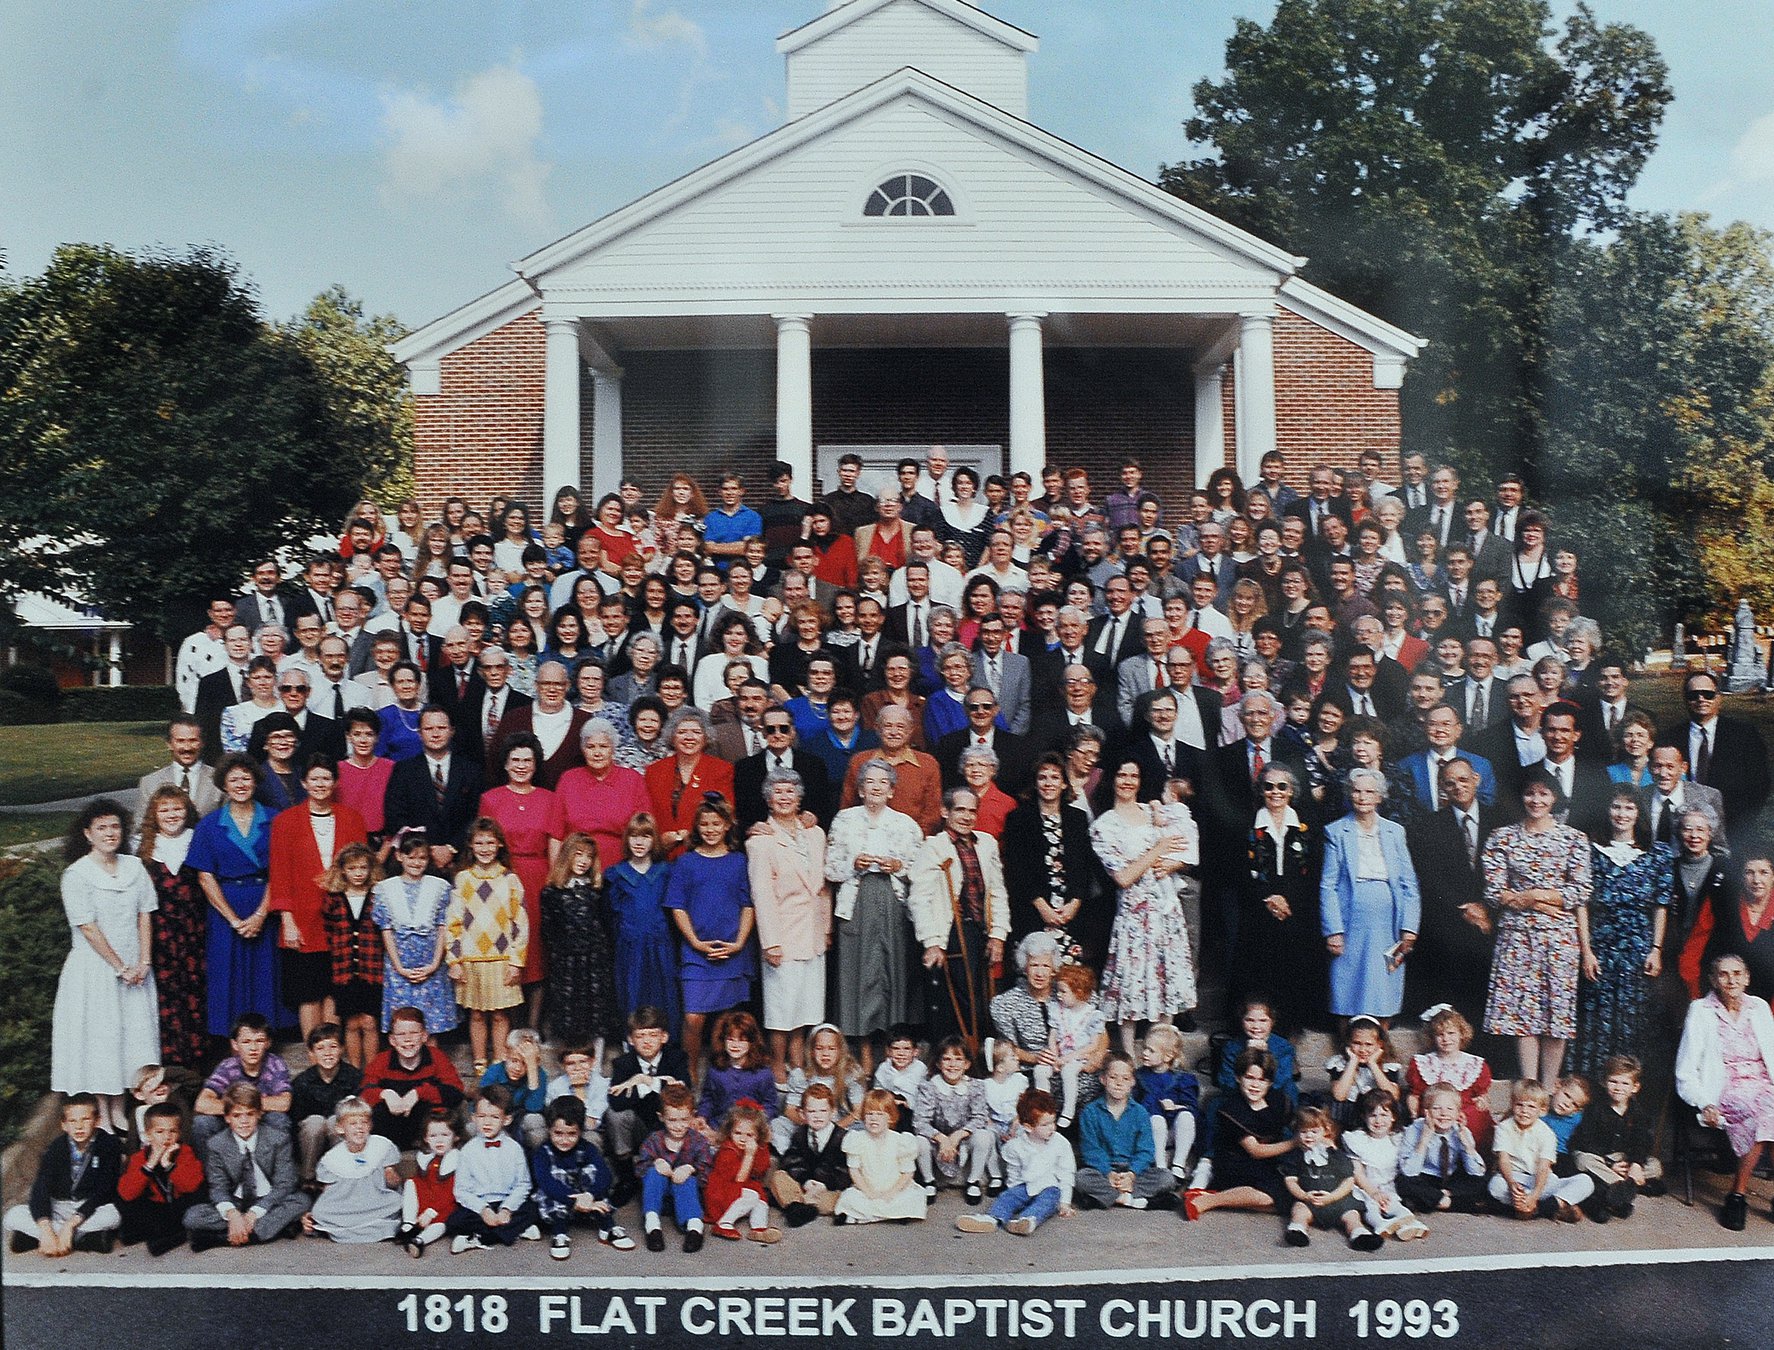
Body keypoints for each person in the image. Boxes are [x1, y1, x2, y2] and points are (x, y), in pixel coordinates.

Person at [1482, 767, 1593, 1087]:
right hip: (1517, 938)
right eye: (1530, 793)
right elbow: (1495, 893)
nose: (1536, 799)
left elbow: (1581, 891)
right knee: (1524, 1016)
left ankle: (1548, 1085)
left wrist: (1534, 895)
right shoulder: (1502, 838)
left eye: (1544, 793)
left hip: (1559, 941)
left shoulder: (1573, 839)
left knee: (1556, 1016)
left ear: (1555, 797)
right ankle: (1530, 1087)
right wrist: (1541, 903)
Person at [1092, 761, 1199, 1053]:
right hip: (1135, 915)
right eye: (1122, 774)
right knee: (1131, 984)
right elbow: (1124, 876)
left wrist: (1172, 862)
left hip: (1166, 910)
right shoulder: (1104, 825)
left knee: (1168, 983)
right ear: (1112, 779)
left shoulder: (1156, 813)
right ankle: (1127, 1056)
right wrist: (1157, 852)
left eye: (1133, 776)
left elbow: (1184, 850)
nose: (1127, 781)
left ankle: (1163, 1054)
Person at [824, 759, 923, 1070]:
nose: (876, 787)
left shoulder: (905, 824)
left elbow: (921, 867)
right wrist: (854, 862)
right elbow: (830, 867)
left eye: (883, 782)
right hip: (857, 900)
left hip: (893, 901)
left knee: (892, 972)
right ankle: (865, 1053)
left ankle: (893, 1053)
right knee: (858, 974)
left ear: (892, 790)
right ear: (861, 789)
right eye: (870, 782)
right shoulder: (845, 820)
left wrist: (900, 867)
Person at [1574, 789, 1674, 1080]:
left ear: (1639, 813)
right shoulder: (1590, 851)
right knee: (1598, 1014)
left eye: (1629, 808)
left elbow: (1661, 906)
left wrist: (1656, 948)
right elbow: (1581, 904)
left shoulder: (1658, 854)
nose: (1621, 814)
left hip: (1638, 945)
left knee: (1634, 1014)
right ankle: (1594, 1084)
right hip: (1601, 943)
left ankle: (1629, 1087)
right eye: (1616, 807)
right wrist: (1587, 950)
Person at [1675, 952, 1774, 1230]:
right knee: (1761, 1113)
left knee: (1770, 1107)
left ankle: (1738, 1196)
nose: (1731, 980)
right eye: (1724, 974)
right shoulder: (1701, 1010)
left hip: (1764, 1083)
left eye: (1737, 974)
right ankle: (1737, 1194)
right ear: (1713, 980)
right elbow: (1686, 1069)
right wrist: (1704, 1102)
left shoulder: (1759, 1007)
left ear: (1747, 978)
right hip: (1727, 1088)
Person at [911, 788, 1010, 1052]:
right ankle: (958, 1055)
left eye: (972, 811)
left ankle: (981, 1054)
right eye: (960, 810)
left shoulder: (986, 843)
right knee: (958, 998)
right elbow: (919, 899)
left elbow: (997, 891)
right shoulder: (933, 847)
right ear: (945, 812)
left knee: (982, 996)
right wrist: (932, 942)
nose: (967, 817)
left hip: (981, 930)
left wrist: (998, 934)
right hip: (952, 929)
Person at [747, 768, 831, 1079]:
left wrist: (826, 928)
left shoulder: (815, 833)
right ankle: (777, 1066)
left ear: (800, 798)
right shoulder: (760, 843)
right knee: (781, 1008)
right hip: (782, 933)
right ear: (768, 799)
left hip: (812, 933)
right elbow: (762, 895)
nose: (784, 797)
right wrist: (771, 942)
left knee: (806, 1005)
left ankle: (798, 1063)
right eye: (778, 792)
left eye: (790, 791)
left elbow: (822, 887)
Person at [188, 755, 280, 1036]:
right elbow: (205, 876)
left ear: (255, 781)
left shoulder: (275, 819)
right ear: (224, 785)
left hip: (264, 903)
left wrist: (260, 915)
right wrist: (233, 919)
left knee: (265, 972)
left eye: (246, 778)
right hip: (226, 909)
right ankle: (232, 1037)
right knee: (227, 971)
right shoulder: (209, 825)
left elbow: (281, 871)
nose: (240, 784)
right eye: (234, 779)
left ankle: (265, 1037)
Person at [666, 798, 756, 1081]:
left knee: (726, 1021)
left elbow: (748, 905)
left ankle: (722, 1074)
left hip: (732, 950)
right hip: (697, 952)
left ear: (727, 825)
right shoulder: (686, 862)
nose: (710, 829)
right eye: (704, 824)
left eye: (716, 823)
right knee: (694, 1018)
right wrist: (695, 942)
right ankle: (691, 1072)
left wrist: (739, 943)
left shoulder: (739, 861)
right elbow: (677, 906)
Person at [1320, 767, 1420, 1021]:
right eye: (1356, 791)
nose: (1362, 797)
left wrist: (1409, 927)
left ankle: (1380, 1054)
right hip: (1350, 916)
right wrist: (1334, 930)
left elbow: (1409, 883)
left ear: (1380, 797)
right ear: (1349, 794)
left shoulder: (1395, 831)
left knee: (1384, 982)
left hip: (1388, 919)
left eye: (1369, 792)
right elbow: (1328, 885)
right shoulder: (1336, 831)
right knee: (1347, 984)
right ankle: (1349, 1054)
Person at [479, 734, 566, 1025]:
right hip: (500, 880)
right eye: (515, 760)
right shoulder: (490, 799)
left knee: (536, 951)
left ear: (536, 764)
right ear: (505, 764)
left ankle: (533, 1025)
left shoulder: (550, 798)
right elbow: (484, 843)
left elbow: (555, 843)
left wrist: (554, 885)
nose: (521, 766)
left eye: (527, 760)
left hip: (537, 877)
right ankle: (509, 1025)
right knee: (504, 946)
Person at [1001, 752, 1110, 967]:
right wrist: (1042, 907)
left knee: (1069, 980)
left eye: (1054, 777)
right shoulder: (1018, 818)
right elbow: (1017, 869)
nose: (1048, 783)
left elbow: (1084, 866)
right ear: (1035, 783)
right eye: (1043, 777)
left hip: (1069, 914)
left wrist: (1075, 902)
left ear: (1063, 784)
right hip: (1034, 911)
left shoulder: (1077, 818)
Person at [1236, 764, 1325, 1029]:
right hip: (1259, 913)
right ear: (1261, 790)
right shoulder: (1247, 825)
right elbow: (1239, 872)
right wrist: (1269, 898)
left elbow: (1315, 872)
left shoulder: (1306, 827)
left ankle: (1291, 1038)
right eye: (1269, 786)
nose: (1275, 792)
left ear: (1292, 791)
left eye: (1282, 786)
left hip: (1297, 914)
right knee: (1261, 976)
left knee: (1294, 976)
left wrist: (1289, 900)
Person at [184, 1082, 310, 1250]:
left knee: (302, 1201)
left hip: (267, 1200)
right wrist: (233, 1214)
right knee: (192, 1217)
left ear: (259, 1114)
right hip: (236, 1201)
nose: (244, 1121)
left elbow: (284, 1183)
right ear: (227, 1118)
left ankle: (221, 1239)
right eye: (237, 1115)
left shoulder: (277, 1139)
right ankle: (274, 1229)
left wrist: (255, 1213)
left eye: (250, 1114)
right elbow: (217, 1188)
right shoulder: (217, 1144)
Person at [1183, 1049, 1295, 1223]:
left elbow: (1295, 1123)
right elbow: (1255, 1150)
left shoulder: (1279, 1100)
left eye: (1262, 1080)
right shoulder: (1231, 1109)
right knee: (1270, 1198)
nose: (1255, 1085)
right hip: (1236, 1163)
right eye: (1249, 1078)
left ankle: (1224, 1198)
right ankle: (1208, 1200)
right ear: (1238, 1078)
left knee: (1287, 1203)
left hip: (1268, 1163)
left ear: (1270, 1082)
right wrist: (1295, 1143)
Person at [4, 1094, 123, 1256]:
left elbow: (104, 1191)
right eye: (72, 1121)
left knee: (113, 1215)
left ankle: (43, 1237)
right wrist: (45, 1228)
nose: (79, 1127)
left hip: (89, 1207)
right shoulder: (57, 1147)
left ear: (97, 1121)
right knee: (12, 1216)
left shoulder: (109, 1145)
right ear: (64, 1125)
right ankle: (77, 1239)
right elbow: (41, 1187)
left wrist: (70, 1226)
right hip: (60, 1205)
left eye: (85, 1119)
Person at [954, 1088, 1075, 1236]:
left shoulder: (1060, 1143)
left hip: (1049, 1186)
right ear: (1028, 1127)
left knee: (1047, 1202)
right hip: (1023, 1185)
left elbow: (1066, 1173)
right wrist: (1015, 1192)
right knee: (1007, 1197)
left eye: (1053, 1122)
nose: (1052, 1128)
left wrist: (1065, 1202)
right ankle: (992, 1219)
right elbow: (1013, 1173)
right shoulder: (1015, 1146)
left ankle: (1027, 1220)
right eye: (1045, 1125)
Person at [371, 829, 456, 1034]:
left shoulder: (440, 887)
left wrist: (434, 964)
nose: (416, 863)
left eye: (422, 858)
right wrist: (399, 968)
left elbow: (443, 926)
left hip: (431, 963)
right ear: (399, 856)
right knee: (402, 1022)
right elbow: (386, 930)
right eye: (411, 857)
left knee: (431, 1024)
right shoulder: (384, 889)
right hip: (399, 965)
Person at [537, 831, 618, 1046]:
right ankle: (570, 1063)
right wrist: (561, 957)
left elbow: (607, 925)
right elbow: (548, 930)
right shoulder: (551, 892)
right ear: (567, 856)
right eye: (578, 854)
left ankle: (597, 1065)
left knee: (597, 1012)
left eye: (589, 856)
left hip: (595, 960)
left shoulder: (599, 890)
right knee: (568, 1012)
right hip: (566, 962)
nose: (583, 861)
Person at [605, 816, 681, 1035]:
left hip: (660, 944)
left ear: (654, 840)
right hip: (629, 946)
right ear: (626, 839)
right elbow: (610, 915)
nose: (639, 842)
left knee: (663, 994)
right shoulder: (616, 875)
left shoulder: (665, 872)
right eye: (634, 836)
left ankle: (666, 1046)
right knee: (631, 993)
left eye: (646, 836)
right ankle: (631, 1044)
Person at [532, 1095, 633, 1259]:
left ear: (580, 1132)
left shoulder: (588, 1148)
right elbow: (546, 1183)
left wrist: (589, 1195)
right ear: (549, 1129)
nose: (564, 1140)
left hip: (587, 1201)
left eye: (572, 1134)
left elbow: (604, 1174)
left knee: (591, 1172)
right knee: (555, 1179)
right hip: (560, 1202)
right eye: (558, 1133)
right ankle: (559, 1233)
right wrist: (574, 1200)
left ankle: (607, 1227)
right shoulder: (543, 1152)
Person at [1566, 1054, 1664, 1221]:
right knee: (1582, 1161)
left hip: (1621, 1157)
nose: (1618, 1088)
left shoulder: (1638, 1113)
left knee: (1655, 1166)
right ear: (1605, 1082)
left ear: (1635, 1087)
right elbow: (1586, 1141)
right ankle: (1626, 1186)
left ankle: (1616, 1185)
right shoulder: (1596, 1108)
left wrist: (1636, 1165)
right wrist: (1610, 1164)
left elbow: (1641, 1141)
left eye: (1625, 1083)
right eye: (1613, 1082)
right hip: (1598, 1156)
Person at [445, 1086, 540, 1252]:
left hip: (507, 1202)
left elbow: (523, 1185)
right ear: (473, 1118)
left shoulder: (514, 1148)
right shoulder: (468, 1150)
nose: (487, 1122)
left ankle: (480, 1237)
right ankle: (514, 1231)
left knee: (533, 1209)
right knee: (453, 1220)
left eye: (495, 1117)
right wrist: (484, 1210)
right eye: (482, 1116)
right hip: (480, 1204)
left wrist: (507, 1209)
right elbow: (461, 1190)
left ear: (507, 1120)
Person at [361, 1006, 466, 1152]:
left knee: (442, 1113)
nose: (408, 1039)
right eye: (401, 1034)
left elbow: (456, 1091)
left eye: (414, 1033)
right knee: (375, 1112)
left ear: (424, 1036)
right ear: (392, 1039)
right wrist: (385, 1094)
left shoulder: (436, 1057)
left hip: (427, 1132)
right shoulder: (382, 1060)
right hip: (391, 1130)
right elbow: (363, 1092)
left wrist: (418, 1093)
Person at [1488, 1079, 1593, 1222]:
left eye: (1531, 1107)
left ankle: (1539, 1208)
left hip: (1539, 1180)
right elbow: (1503, 1160)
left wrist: (1535, 1195)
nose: (1525, 1111)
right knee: (1495, 1186)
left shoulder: (1547, 1133)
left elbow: (1544, 1167)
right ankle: (1540, 1207)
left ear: (1542, 1110)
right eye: (1520, 1105)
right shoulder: (1504, 1127)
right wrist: (1512, 1183)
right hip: (1515, 1176)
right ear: (1513, 1105)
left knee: (1585, 1182)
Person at [1280, 1105, 1384, 1250]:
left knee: (1352, 1216)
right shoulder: (1295, 1156)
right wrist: (1304, 1195)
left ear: (1325, 1131)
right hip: (1310, 1200)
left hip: (1338, 1199)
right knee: (1299, 1210)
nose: (1309, 1136)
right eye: (1304, 1132)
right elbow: (1290, 1181)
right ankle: (1297, 1231)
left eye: (1314, 1131)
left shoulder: (1335, 1155)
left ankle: (1360, 1235)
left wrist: (1332, 1197)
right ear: (1296, 1133)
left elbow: (1348, 1180)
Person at [305, 1096, 401, 1243]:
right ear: (340, 1128)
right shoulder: (332, 1158)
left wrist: (390, 1175)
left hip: (376, 1200)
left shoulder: (381, 1146)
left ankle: (370, 1225)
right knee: (320, 1211)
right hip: (346, 1204)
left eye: (364, 1122)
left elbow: (393, 1182)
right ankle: (355, 1225)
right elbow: (328, 1192)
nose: (359, 1127)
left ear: (370, 1125)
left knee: (398, 1201)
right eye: (353, 1123)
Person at [115, 1101, 205, 1255]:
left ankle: (174, 1235)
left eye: (172, 1131)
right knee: (125, 1213)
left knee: (196, 1199)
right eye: (160, 1132)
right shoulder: (140, 1157)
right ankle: (167, 1233)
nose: (167, 1137)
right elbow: (127, 1193)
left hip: (178, 1204)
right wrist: (150, 1164)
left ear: (179, 1133)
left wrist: (168, 1165)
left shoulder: (185, 1152)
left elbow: (190, 1186)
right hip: (155, 1207)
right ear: (148, 1135)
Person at [192, 1012, 292, 1147]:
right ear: (235, 1044)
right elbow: (202, 1103)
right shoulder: (227, 1066)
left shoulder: (275, 1064)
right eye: (246, 1042)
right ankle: (208, 1168)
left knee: (279, 1120)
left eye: (259, 1041)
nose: (253, 1048)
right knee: (202, 1123)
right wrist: (240, 1110)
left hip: (260, 1121)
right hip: (233, 1121)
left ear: (268, 1043)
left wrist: (245, 1109)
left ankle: (272, 1166)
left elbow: (284, 1102)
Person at [1405, 1006, 1494, 1152]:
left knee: (1474, 1118)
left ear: (1461, 1034)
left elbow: (1481, 1095)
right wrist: (1413, 1113)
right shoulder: (1423, 1064)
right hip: (1436, 1109)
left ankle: (1470, 1158)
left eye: (1451, 1033)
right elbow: (1414, 1094)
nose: (1446, 1039)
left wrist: (1483, 1100)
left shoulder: (1475, 1064)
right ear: (1433, 1038)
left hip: (1463, 1110)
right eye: (1440, 1035)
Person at [637, 1082, 713, 1252]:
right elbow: (640, 1168)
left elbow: (707, 1169)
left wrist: (691, 1168)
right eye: (672, 1120)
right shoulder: (654, 1139)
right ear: (661, 1117)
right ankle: (652, 1226)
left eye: (684, 1120)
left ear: (692, 1116)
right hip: (660, 1199)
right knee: (653, 1174)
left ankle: (694, 1227)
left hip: (687, 1198)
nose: (678, 1126)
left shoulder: (698, 1141)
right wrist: (656, 1162)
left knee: (686, 1179)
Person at [1344, 1091, 1428, 1241]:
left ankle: (1409, 1222)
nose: (1378, 1121)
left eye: (1384, 1115)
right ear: (1364, 1117)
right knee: (1371, 1207)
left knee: (1394, 1203)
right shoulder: (1358, 1140)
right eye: (1373, 1115)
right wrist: (1373, 1192)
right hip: (1366, 1186)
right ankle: (1381, 1224)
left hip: (1389, 1185)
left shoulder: (1398, 1138)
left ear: (1393, 1116)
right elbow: (1358, 1173)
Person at [833, 1089, 925, 1226]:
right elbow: (854, 1170)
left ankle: (863, 1217)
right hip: (867, 1189)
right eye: (869, 1114)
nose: (873, 1118)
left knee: (914, 1197)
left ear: (891, 1117)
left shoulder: (900, 1141)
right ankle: (890, 1215)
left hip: (894, 1189)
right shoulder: (857, 1139)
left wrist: (891, 1193)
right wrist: (869, 1192)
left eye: (879, 1114)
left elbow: (908, 1172)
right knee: (848, 1198)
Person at [290, 1022, 363, 1188]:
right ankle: (308, 1177)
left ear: (342, 1049)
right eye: (320, 1048)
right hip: (310, 1144)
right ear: (312, 1053)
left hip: (341, 1139)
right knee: (315, 1122)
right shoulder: (302, 1082)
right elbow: (294, 1123)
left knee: (335, 1122)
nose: (327, 1053)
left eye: (333, 1046)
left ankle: (340, 1174)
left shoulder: (353, 1077)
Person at [1395, 1083, 1487, 1215]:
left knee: (1483, 1181)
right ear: (1427, 1112)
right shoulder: (1414, 1130)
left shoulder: (1461, 1131)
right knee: (1403, 1182)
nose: (1444, 1114)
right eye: (1437, 1108)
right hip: (1425, 1177)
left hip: (1451, 1180)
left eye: (1450, 1109)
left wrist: (1467, 1145)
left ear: (1458, 1114)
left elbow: (1477, 1172)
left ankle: (1433, 1200)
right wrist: (1424, 1139)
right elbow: (1409, 1172)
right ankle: (1455, 1203)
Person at [703, 1101, 781, 1244]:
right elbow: (739, 1178)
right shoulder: (728, 1150)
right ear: (729, 1132)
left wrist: (761, 1149)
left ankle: (759, 1229)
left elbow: (760, 1170)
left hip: (742, 1188)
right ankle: (724, 1224)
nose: (743, 1138)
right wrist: (749, 1155)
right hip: (722, 1192)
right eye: (737, 1133)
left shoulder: (756, 1147)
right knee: (752, 1196)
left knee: (761, 1201)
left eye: (749, 1135)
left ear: (758, 1135)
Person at [1135, 1023, 1200, 1178]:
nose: (1145, 1053)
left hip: (1173, 1130)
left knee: (1186, 1117)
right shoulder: (1139, 1076)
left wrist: (1176, 1106)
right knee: (1156, 1120)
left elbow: (1192, 1106)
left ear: (1168, 1056)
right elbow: (1135, 1106)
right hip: (1150, 1129)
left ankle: (1179, 1163)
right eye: (1144, 1048)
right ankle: (1160, 1166)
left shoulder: (1181, 1078)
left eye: (1151, 1050)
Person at [395, 1110, 459, 1257]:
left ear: (455, 1137)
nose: (439, 1140)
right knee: (411, 1182)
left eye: (445, 1135)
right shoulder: (426, 1158)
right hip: (428, 1197)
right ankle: (408, 1224)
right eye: (433, 1136)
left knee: (442, 1223)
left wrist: (430, 1212)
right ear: (426, 1138)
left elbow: (450, 1193)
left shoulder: (456, 1160)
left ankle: (419, 1240)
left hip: (444, 1204)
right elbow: (422, 1182)